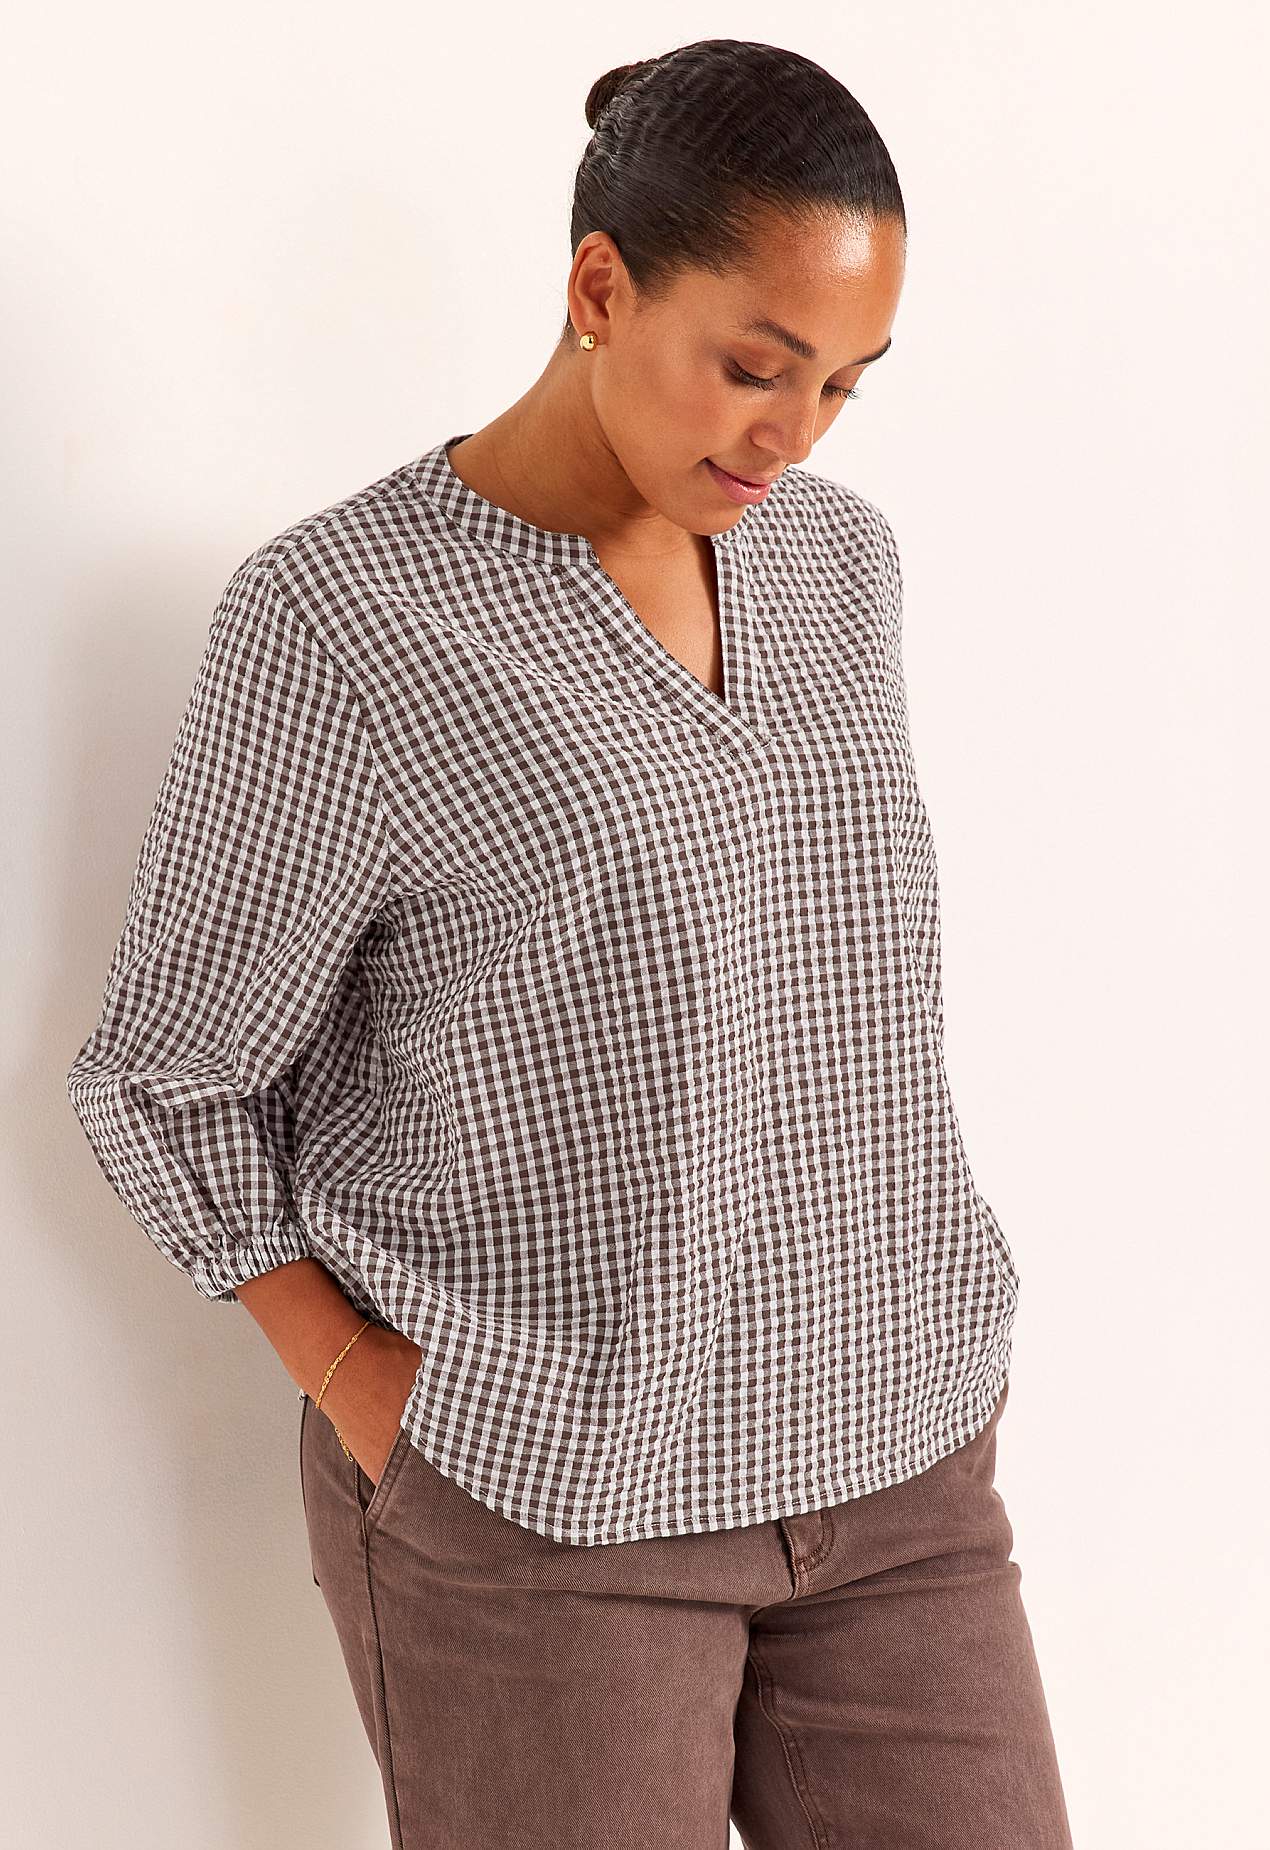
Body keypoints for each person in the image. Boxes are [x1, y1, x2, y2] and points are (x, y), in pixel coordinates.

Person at [65, 36, 1075, 1850]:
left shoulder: (839, 565)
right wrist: (370, 1390)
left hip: (898, 1460)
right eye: (754, 365)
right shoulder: (343, 624)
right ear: (599, 288)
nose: (791, 434)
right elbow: (164, 1078)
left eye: (844, 383)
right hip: (552, 1510)